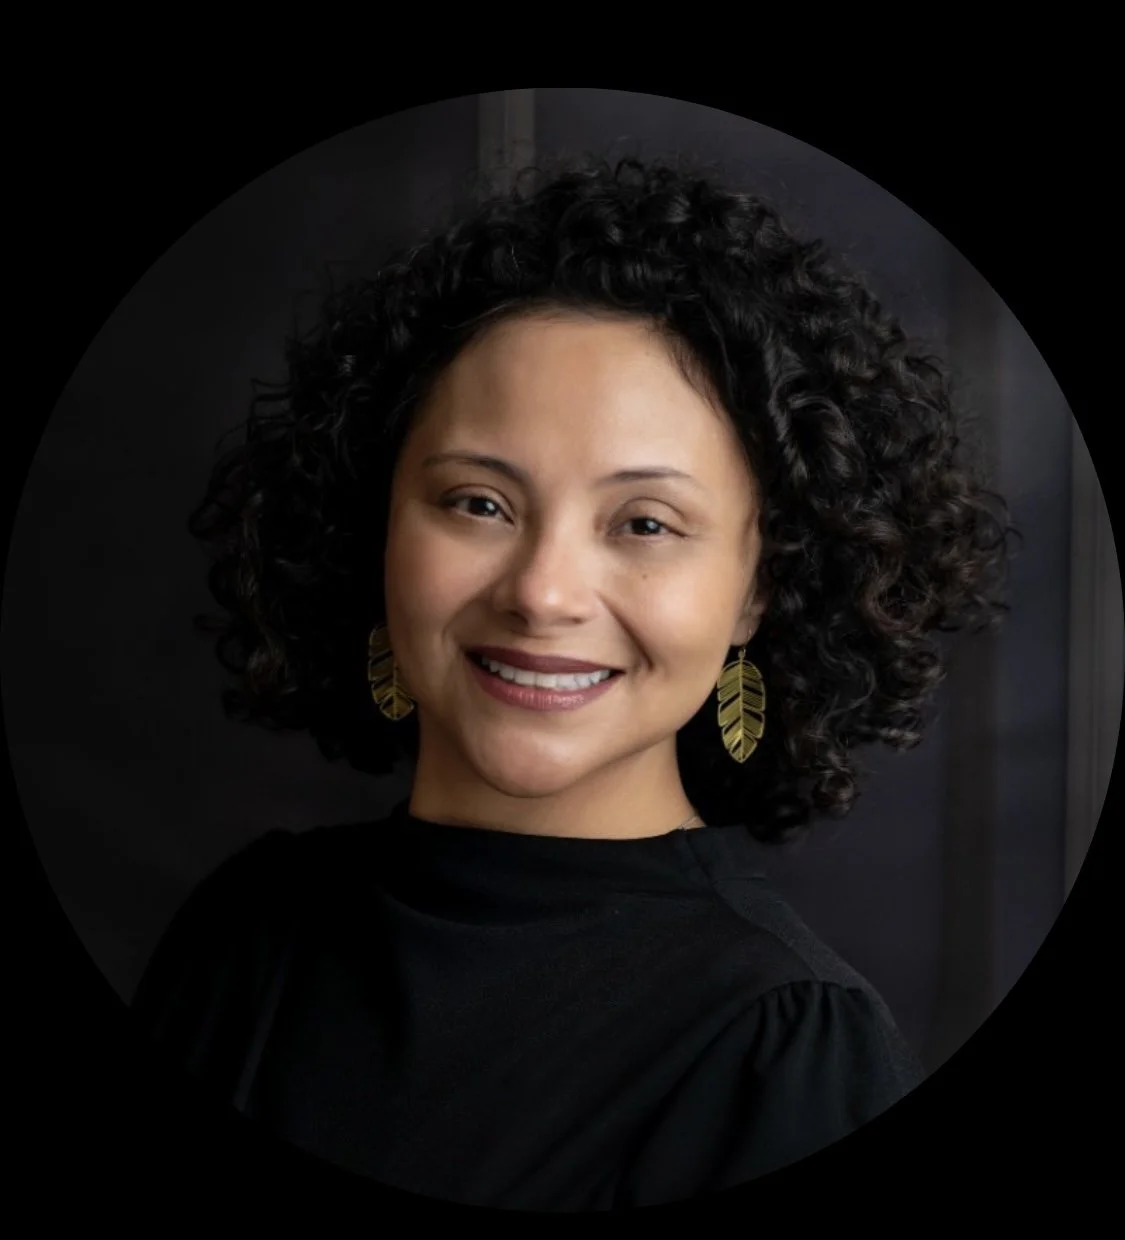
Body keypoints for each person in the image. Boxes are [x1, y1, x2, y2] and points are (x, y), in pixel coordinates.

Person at [131, 156, 1014, 1210]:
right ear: (375, 530)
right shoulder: (244, 935)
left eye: (644, 523)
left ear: (758, 591)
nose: (542, 593)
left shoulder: (785, 1045)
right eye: (478, 503)